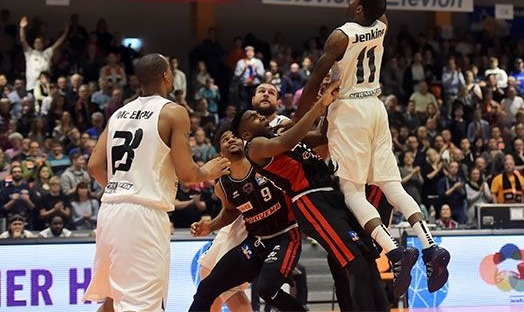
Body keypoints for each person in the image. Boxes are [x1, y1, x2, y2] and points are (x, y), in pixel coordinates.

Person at [294, 0, 449, 293]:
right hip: (377, 107)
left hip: (349, 110)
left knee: (352, 192)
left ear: (361, 9)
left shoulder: (340, 37)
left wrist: (301, 119)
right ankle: (429, 247)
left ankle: (394, 252)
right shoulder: (381, 25)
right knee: (392, 184)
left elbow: (315, 78)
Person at [83, 53, 231, 312]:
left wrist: (124, 189)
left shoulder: (119, 113)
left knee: (113, 300)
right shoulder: (174, 112)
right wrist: (209, 170)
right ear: (166, 76)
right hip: (142, 216)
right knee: (141, 305)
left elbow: (94, 166)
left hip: (110, 212)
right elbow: (187, 175)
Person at [233, 81, 392, 310]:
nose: (260, 118)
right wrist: (320, 103)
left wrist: (330, 105)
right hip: (310, 201)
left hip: (330, 194)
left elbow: (322, 134)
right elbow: (286, 141)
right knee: (356, 265)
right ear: (246, 133)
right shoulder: (255, 146)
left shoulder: (279, 134)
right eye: (254, 118)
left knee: (366, 262)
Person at [189, 124, 304, 312]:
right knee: (207, 286)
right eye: (225, 139)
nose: (231, 140)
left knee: (266, 289)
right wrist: (210, 226)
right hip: (255, 242)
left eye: (234, 136)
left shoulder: (264, 161)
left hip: (285, 235)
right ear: (220, 154)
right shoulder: (223, 185)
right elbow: (231, 211)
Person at [19, 16, 68, 91]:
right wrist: (22, 27)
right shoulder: (29, 53)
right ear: (33, 44)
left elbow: (58, 43)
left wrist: (65, 33)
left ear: (43, 44)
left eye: (40, 42)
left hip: (45, 87)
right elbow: (23, 40)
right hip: (32, 87)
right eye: (36, 42)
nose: (38, 43)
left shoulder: (47, 53)